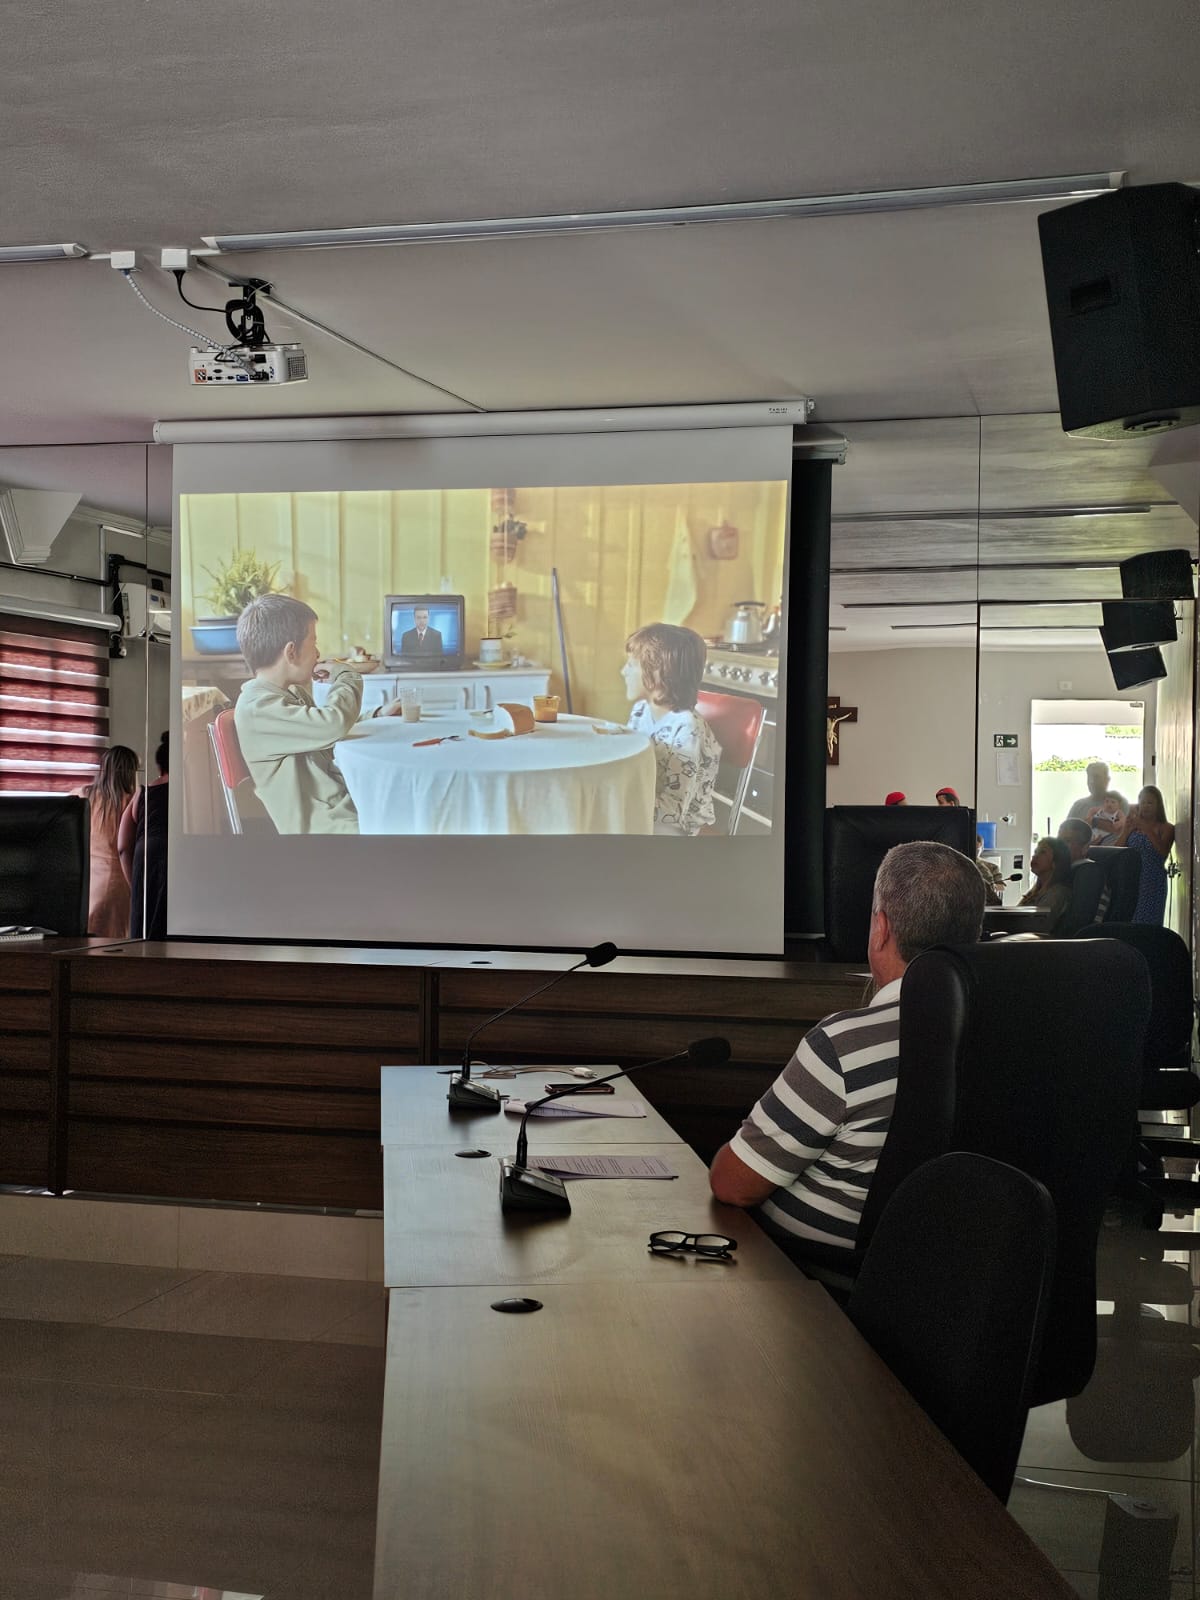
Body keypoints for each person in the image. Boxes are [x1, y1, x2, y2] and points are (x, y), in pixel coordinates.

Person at [709, 841, 985, 1265]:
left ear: (881, 929)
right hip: (957, 1271)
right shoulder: (1007, 1030)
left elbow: (734, 1185)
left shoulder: (845, 1044)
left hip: (807, 1279)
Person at [234, 594, 403, 835]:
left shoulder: (288, 694)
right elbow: (332, 724)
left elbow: (322, 731)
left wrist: (377, 714)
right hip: (325, 827)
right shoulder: (257, 709)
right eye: (313, 643)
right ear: (291, 652)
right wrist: (346, 674)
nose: (317, 653)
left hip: (342, 806)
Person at [622, 623, 721, 836]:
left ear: (659, 673)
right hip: (646, 806)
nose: (623, 672)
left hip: (679, 826)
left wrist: (622, 805)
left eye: (630, 665)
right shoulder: (641, 710)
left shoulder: (687, 729)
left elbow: (673, 811)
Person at [78, 744, 138, 936]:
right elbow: (128, 848)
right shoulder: (131, 801)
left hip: (86, 887)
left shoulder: (81, 796)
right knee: (115, 947)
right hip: (119, 885)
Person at [118, 731, 169, 939]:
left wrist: (136, 886)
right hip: (176, 859)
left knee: (144, 937)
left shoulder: (142, 792)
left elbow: (123, 846)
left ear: (159, 766)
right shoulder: (190, 792)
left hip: (146, 857)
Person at [1112, 785, 1176, 926]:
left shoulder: (1167, 827)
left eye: (1150, 803)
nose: (1145, 806)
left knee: (1149, 921)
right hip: (1131, 877)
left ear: (1158, 805)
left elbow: (1163, 852)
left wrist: (1146, 828)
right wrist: (1126, 830)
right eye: (1142, 802)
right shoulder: (1133, 826)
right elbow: (1116, 851)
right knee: (1128, 918)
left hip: (1152, 880)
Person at [1018, 835, 1074, 936]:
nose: (1034, 856)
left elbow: (1039, 926)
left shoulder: (1058, 893)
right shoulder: (1035, 891)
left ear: (1056, 862)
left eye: (1042, 852)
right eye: (1035, 852)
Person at [1067, 761, 1127, 845]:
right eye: (1089, 777)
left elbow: (1123, 830)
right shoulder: (1078, 806)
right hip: (1083, 851)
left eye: (1096, 777)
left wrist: (1095, 823)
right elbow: (1066, 835)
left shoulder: (1120, 803)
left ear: (1107, 780)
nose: (1092, 781)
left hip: (1112, 851)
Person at [975, 833, 1004, 906]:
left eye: (977, 850)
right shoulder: (959, 865)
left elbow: (1000, 888)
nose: (975, 852)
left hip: (988, 903)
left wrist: (995, 886)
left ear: (982, 849)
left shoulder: (993, 867)